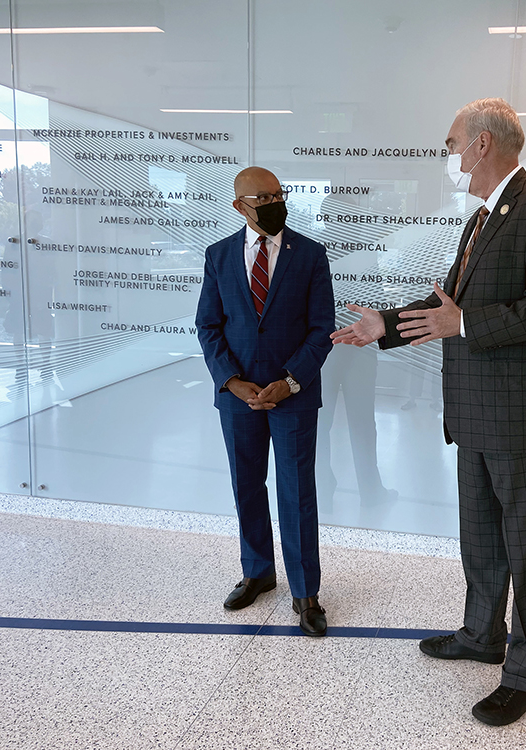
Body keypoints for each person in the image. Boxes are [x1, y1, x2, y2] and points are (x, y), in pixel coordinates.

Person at [331, 98, 526, 724]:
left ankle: (525, 673)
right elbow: (448, 305)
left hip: (521, 415)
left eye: (452, 142)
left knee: (523, 543)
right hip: (473, 412)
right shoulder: (479, 221)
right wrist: (384, 326)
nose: (448, 154)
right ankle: (481, 635)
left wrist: (462, 320)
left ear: (484, 144)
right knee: (479, 536)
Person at [196, 166, 335, 637]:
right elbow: (208, 326)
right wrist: (232, 382)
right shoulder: (217, 256)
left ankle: (305, 592)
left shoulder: (311, 255)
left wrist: (290, 381)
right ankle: (258, 571)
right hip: (239, 399)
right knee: (247, 486)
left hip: (292, 395)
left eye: (280, 194)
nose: (276, 203)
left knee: (297, 494)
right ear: (240, 206)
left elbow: (322, 331)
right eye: (264, 198)